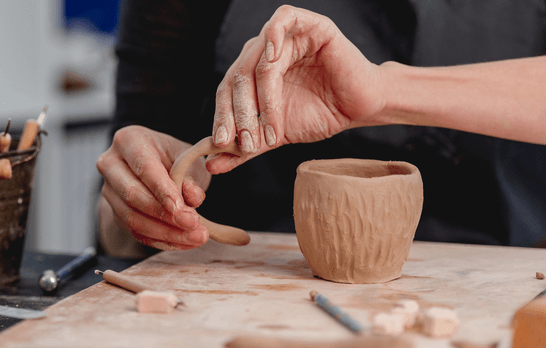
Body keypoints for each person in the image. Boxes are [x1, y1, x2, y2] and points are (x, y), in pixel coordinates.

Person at [96, 0, 546, 256]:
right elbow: (110, 229)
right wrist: (140, 203)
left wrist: (382, 92)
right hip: (243, 291)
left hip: (502, 288)